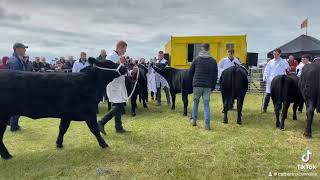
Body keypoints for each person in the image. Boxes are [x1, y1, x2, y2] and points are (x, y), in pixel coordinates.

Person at [98, 41, 129, 134]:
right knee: (118, 105)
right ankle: (101, 122)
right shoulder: (111, 56)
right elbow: (109, 69)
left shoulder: (119, 57)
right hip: (113, 84)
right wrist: (120, 62)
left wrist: (131, 72)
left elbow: (122, 70)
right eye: (124, 49)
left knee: (118, 105)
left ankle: (118, 127)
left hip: (119, 84)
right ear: (120, 47)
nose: (125, 51)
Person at [189, 43, 218, 130]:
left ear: (202, 49)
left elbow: (190, 72)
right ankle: (207, 124)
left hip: (197, 85)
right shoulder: (213, 61)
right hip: (208, 86)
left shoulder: (196, 59)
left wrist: (193, 81)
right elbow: (215, 75)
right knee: (206, 105)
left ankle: (194, 120)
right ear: (209, 49)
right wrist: (212, 86)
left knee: (195, 102)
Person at [7, 42, 29, 132]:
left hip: (18, 87)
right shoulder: (14, 60)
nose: (25, 50)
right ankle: (13, 126)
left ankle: (14, 125)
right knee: (16, 108)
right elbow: (17, 76)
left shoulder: (18, 59)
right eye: (23, 48)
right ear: (17, 49)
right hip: (16, 88)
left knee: (18, 108)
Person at [262, 48, 289, 113]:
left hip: (280, 82)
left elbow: (287, 69)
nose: (275, 55)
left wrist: (288, 68)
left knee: (279, 96)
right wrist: (265, 76)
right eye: (274, 54)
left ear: (280, 54)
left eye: (277, 54)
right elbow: (266, 70)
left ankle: (278, 109)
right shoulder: (270, 62)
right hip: (270, 81)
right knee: (268, 95)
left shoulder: (284, 61)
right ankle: (264, 108)